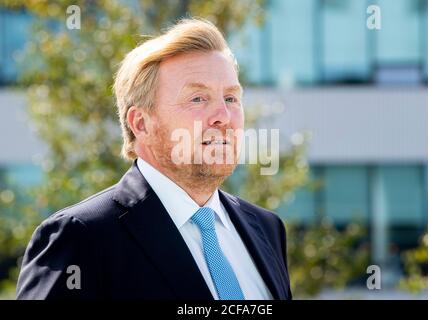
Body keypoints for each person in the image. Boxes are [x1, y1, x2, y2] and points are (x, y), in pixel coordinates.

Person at [16, 18, 292, 300]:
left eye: (232, 98)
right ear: (141, 123)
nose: (223, 116)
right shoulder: (81, 237)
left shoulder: (267, 228)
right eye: (198, 98)